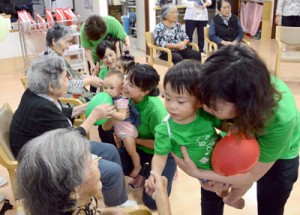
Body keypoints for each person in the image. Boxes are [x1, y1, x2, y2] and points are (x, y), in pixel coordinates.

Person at [172, 45, 300, 215]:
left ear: (243, 104)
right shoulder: (211, 90)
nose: (205, 109)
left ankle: (233, 198)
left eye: (214, 108)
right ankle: (228, 197)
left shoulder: (281, 117)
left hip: (281, 154)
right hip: (233, 141)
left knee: (271, 204)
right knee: (212, 191)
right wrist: (208, 177)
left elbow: (252, 175)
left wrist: (197, 172)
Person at [9, 55, 129, 207]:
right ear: (51, 86)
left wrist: (88, 106)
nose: (69, 81)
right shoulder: (41, 107)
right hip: (42, 162)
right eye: (65, 78)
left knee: (111, 150)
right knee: (113, 172)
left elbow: (61, 115)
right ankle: (114, 207)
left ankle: (110, 196)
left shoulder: (38, 95)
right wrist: (92, 117)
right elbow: (71, 138)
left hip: (49, 146)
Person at [148, 60, 251, 209]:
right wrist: (155, 172)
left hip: (223, 160)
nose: (171, 105)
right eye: (167, 98)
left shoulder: (205, 114)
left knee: (244, 181)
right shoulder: (166, 129)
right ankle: (223, 195)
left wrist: (231, 127)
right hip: (203, 173)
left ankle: (231, 197)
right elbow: (160, 155)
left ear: (200, 101)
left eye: (180, 101)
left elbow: (223, 123)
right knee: (213, 190)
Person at [103, 64, 177, 209]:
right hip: (136, 150)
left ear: (145, 91)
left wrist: (134, 140)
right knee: (108, 169)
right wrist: (115, 117)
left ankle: (153, 170)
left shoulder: (155, 111)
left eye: (131, 84)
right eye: (126, 79)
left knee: (152, 202)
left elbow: (164, 144)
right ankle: (144, 169)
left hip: (161, 153)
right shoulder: (124, 99)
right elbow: (105, 127)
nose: (124, 86)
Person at [16, 128, 128, 215]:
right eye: (90, 162)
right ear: (73, 191)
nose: (96, 162)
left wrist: (109, 211)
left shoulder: (75, 202)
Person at [44, 23, 102, 102]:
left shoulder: (56, 56)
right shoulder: (50, 62)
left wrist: (89, 77)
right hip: (69, 101)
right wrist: (89, 81)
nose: (68, 46)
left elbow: (73, 74)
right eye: (66, 42)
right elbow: (64, 86)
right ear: (54, 41)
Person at [102, 70, 141, 179]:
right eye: (105, 87)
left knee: (131, 151)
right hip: (119, 130)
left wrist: (111, 112)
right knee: (120, 147)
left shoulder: (121, 101)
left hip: (127, 131)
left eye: (111, 88)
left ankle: (137, 166)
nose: (107, 91)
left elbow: (122, 116)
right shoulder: (111, 99)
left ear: (120, 89)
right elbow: (105, 125)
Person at [80, 14, 130, 92]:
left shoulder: (112, 23)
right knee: (94, 78)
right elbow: (87, 49)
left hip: (112, 49)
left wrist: (127, 45)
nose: (109, 59)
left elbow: (124, 37)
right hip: (95, 54)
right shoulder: (84, 30)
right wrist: (92, 64)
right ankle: (92, 95)